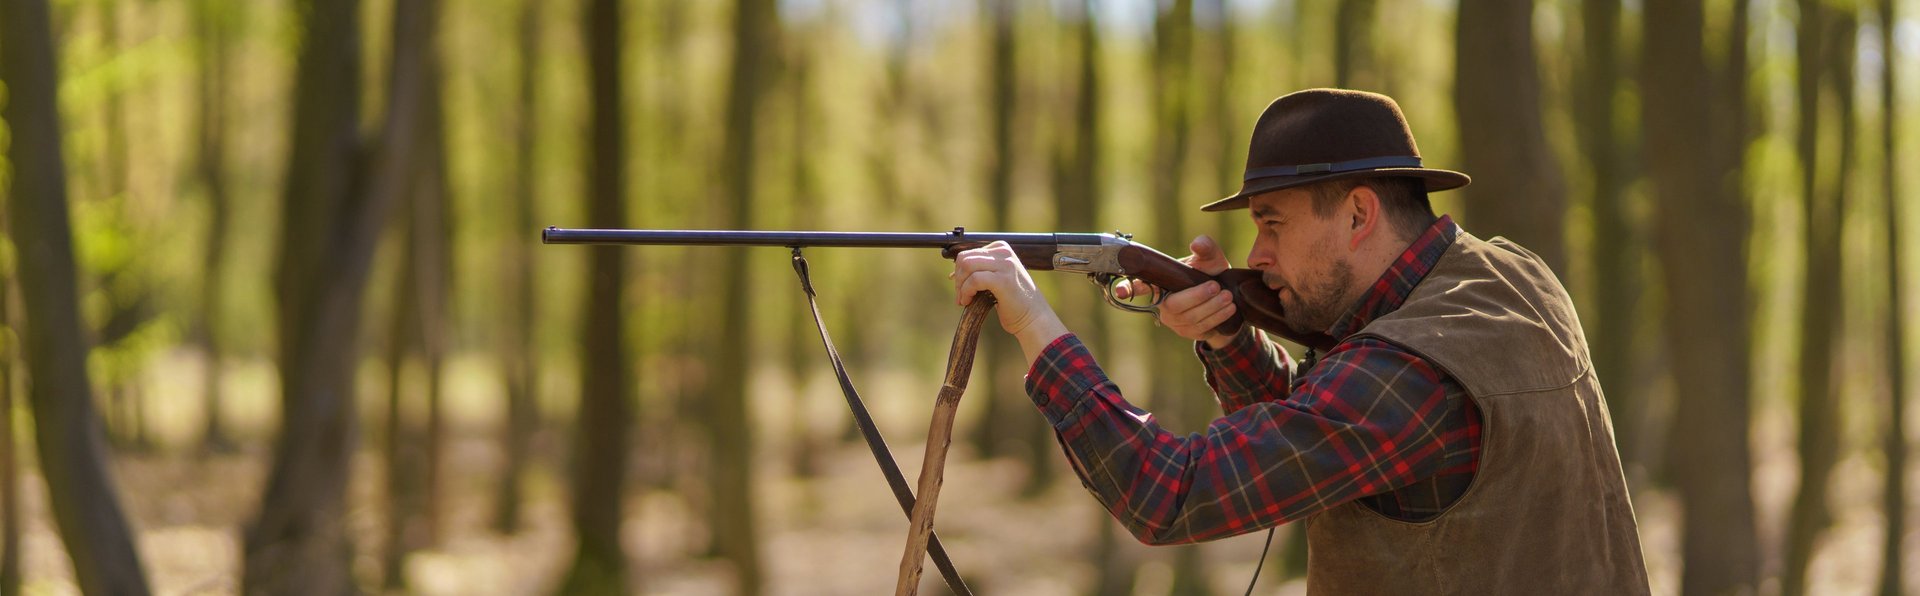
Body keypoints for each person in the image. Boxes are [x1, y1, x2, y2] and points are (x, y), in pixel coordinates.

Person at [950, 88, 1649, 593]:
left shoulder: (1411, 370)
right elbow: (1336, 441)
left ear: (1357, 214)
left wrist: (1034, 324)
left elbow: (1169, 495)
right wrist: (1232, 341)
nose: (1254, 255)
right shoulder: (1516, 279)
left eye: (1272, 222)